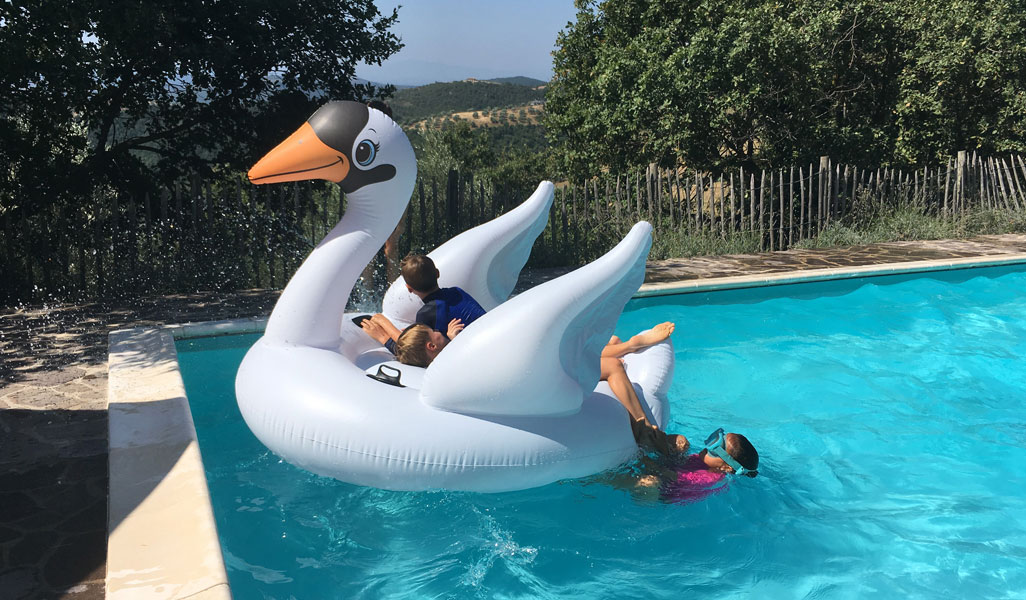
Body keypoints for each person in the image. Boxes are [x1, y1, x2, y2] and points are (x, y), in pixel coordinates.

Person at [359, 253, 486, 354]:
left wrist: (383, 326)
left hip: (471, 353)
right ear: (437, 273)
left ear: (409, 289)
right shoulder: (457, 292)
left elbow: (412, 352)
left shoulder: (427, 313)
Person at [615, 424, 759, 504]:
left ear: (725, 467)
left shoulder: (710, 479)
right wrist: (659, 441)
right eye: (712, 440)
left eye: (714, 451)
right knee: (681, 442)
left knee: (649, 483)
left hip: (661, 494)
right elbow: (677, 462)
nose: (706, 448)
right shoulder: (704, 461)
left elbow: (667, 474)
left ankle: (608, 478)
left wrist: (638, 454)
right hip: (670, 472)